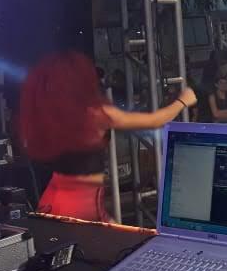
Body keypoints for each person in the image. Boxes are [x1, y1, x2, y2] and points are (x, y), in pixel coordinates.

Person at [19, 52, 197, 221]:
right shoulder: (94, 114)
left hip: (53, 200)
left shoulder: (54, 115)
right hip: (80, 206)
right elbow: (155, 121)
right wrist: (183, 101)